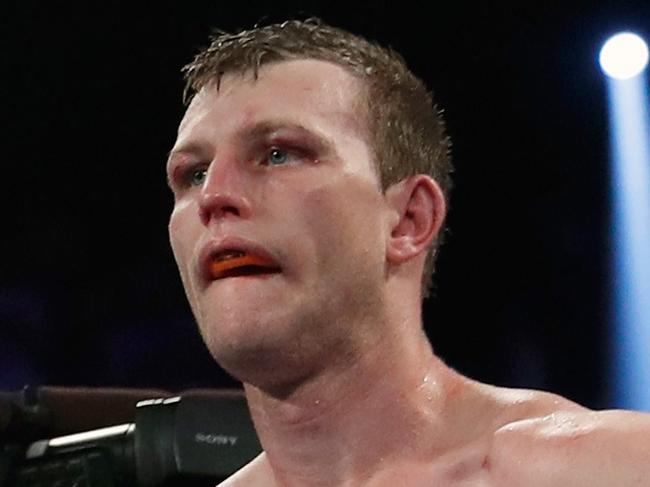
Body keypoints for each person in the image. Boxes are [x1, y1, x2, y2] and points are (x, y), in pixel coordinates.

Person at [166, 18, 650, 486]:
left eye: (279, 153)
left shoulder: (606, 468)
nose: (213, 197)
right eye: (194, 173)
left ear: (408, 219)